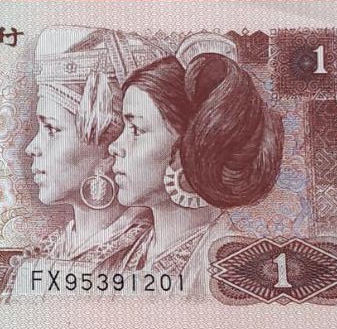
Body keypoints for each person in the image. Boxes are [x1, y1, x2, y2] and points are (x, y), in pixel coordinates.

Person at [106, 32, 283, 294]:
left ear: (189, 146)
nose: (114, 146)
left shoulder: (233, 269)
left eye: (136, 130)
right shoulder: (119, 255)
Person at [3, 25, 164, 296]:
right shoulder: (42, 255)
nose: (32, 148)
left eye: (51, 129)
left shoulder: (152, 258)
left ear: (109, 147)